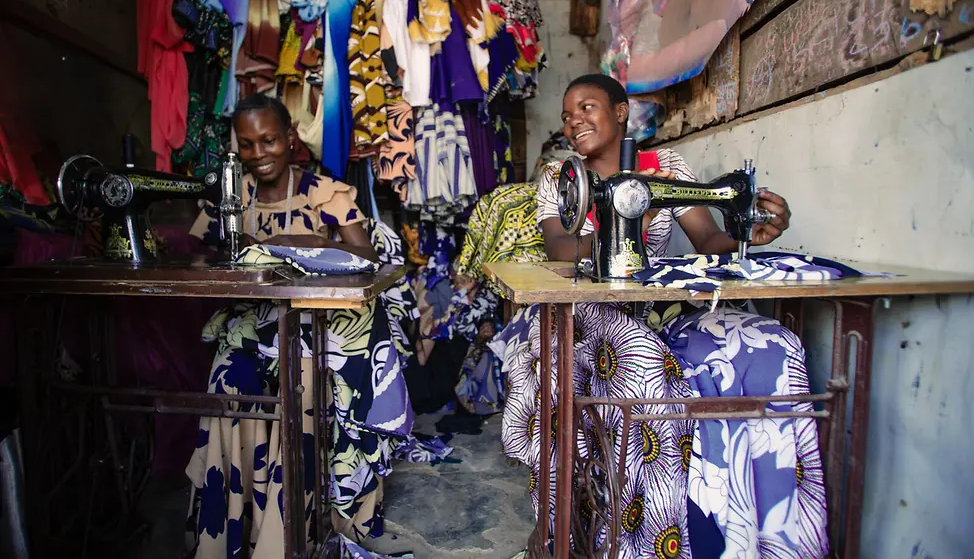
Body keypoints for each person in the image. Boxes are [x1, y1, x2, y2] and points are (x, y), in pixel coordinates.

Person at [498, 75, 828, 558]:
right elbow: (560, 248)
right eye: (567, 116)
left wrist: (750, 237)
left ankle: (772, 534)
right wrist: (619, 223)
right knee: (642, 357)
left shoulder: (667, 167)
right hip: (582, 309)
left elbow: (709, 242)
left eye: (586, 108)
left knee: (771, 343)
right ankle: (640, 542)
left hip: (659, 308)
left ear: (620, 111)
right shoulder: (562, 178)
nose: (574, 123)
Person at [185, 94, 445, 558]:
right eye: (247, 145)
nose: (259, 153)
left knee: (300, 383)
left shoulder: (323, 191)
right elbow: (198, 255)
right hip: (252, 322)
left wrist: (291, 242)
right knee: (227, 380)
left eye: (269, 140)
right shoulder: (229, 195)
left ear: (290, 139)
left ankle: (306, 522)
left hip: (315, 325)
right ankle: (235, 522)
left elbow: (366, 257)